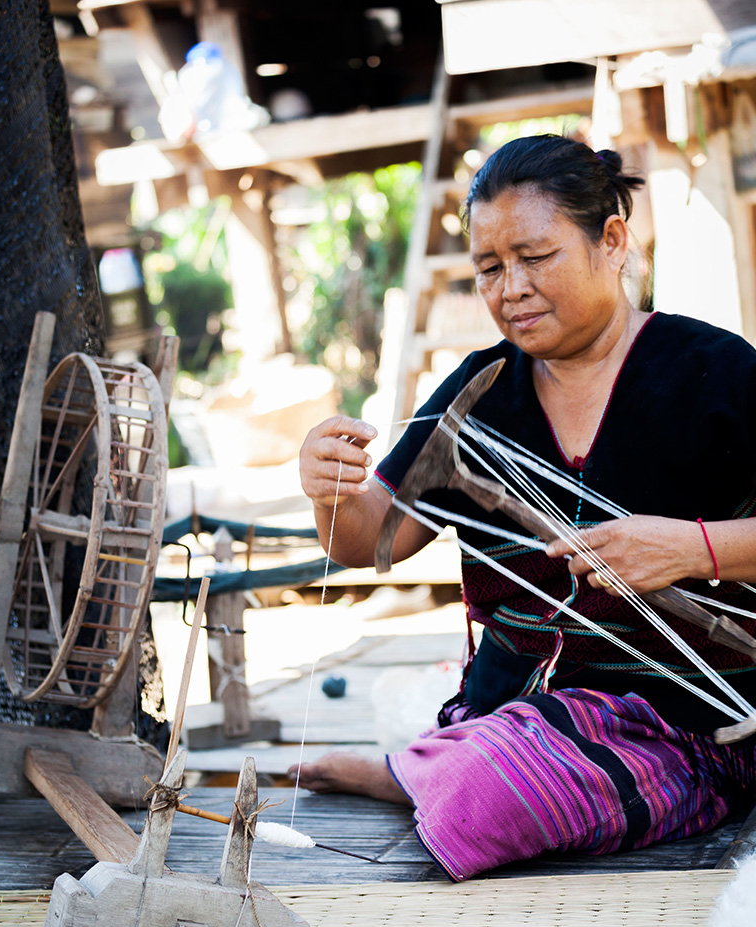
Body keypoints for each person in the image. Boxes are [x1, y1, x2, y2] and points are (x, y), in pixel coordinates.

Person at [292, 134, 756, 881]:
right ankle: (444, 760)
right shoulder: (481, 391)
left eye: (536, 258)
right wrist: (329, 488)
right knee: (497, 770)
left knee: (486, 798)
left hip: (689, 727)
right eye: (489, 267)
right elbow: (367, 540)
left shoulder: (716, 370)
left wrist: (692, 549)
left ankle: (421, 771)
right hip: (512, 709)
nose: (511, 287)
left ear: (611, 241)